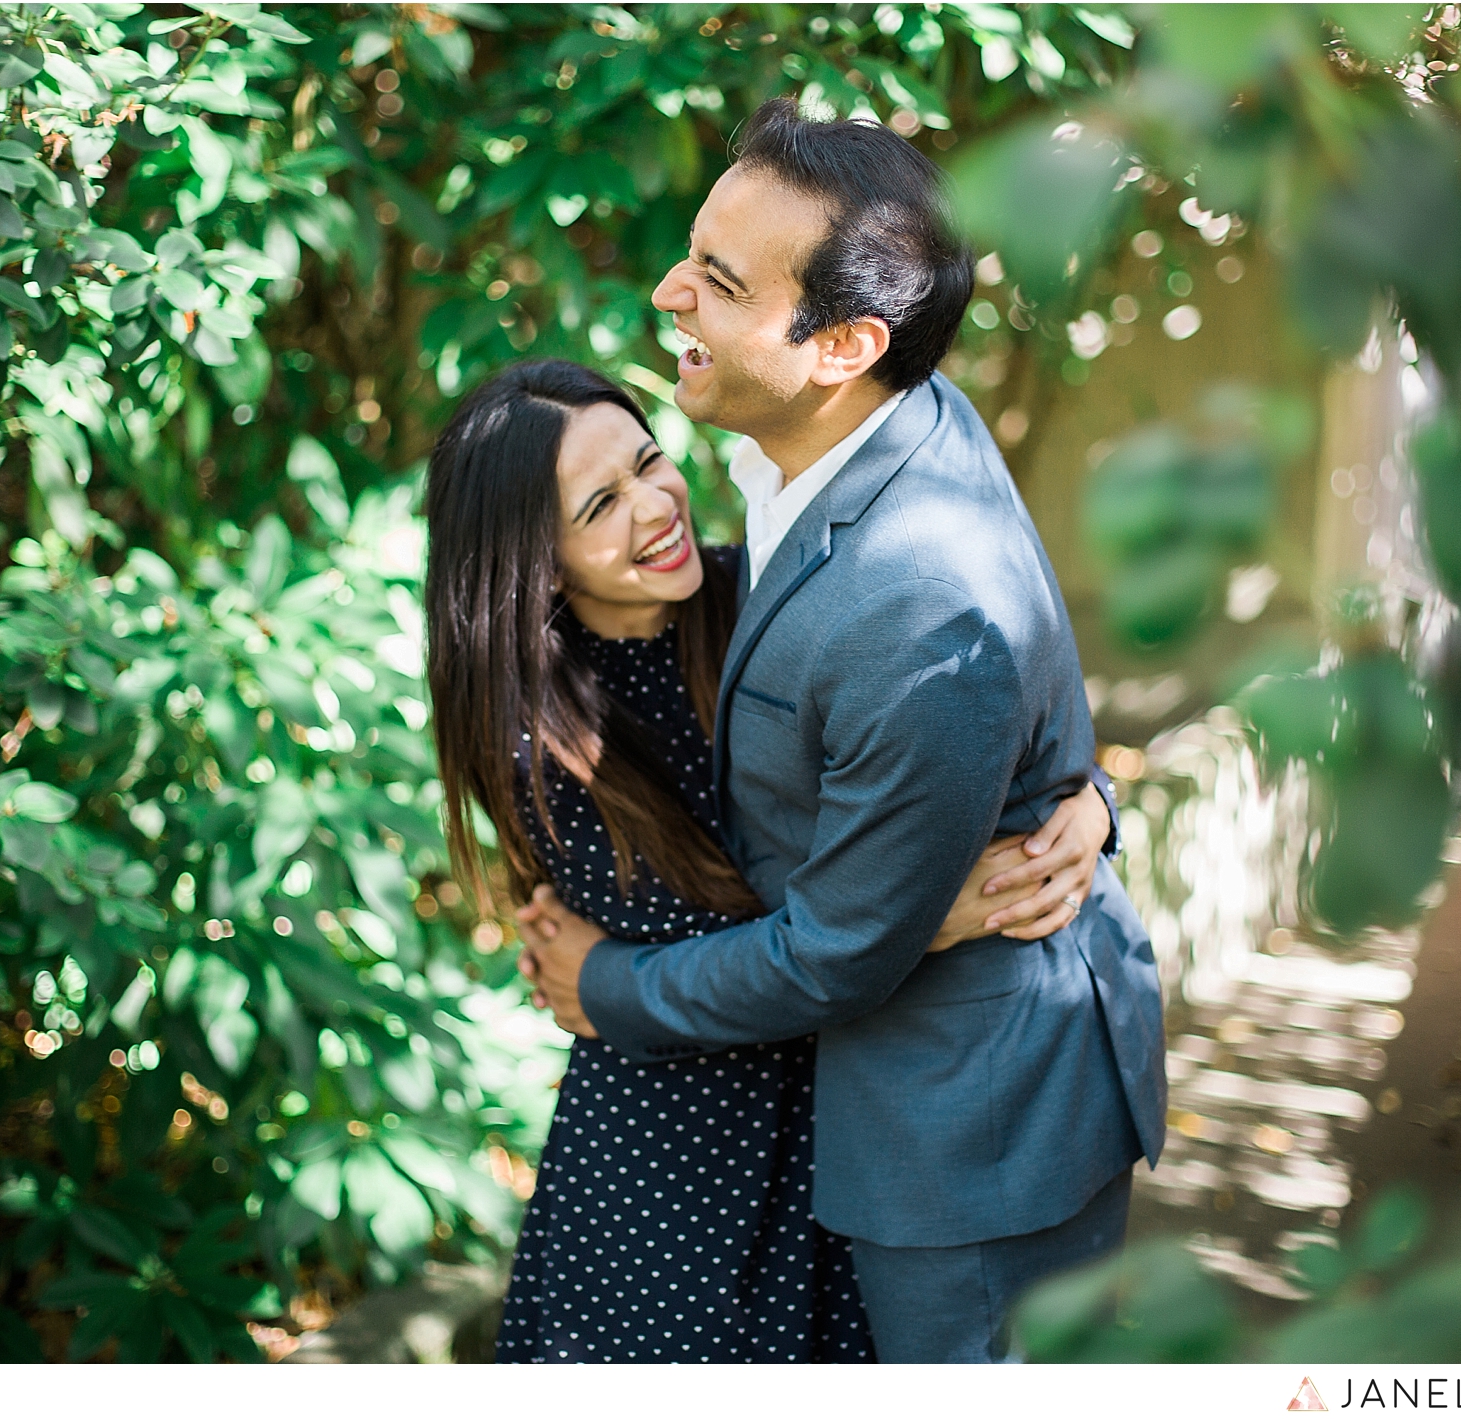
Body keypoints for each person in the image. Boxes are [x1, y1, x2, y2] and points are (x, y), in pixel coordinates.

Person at [513, 98, 1169, 1364]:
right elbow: (1011, 689)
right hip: (843, 1102)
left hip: (966, 1138)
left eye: (715, 281)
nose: (666, 296)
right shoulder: (864, 433)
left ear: (842, 344)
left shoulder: (913, 598)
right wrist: (1071, 788)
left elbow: (836, 957)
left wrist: (603, 983)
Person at [423, 360, 1117, 1362]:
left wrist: (1084, 801)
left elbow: (965, 721)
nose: (653, 508)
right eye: (600, 505)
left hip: (846, 1129)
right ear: (535, 562)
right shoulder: (542, 739)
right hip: (676, 1172)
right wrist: (934, 910)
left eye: (649, 463)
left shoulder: (775, 593)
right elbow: (771, 936)